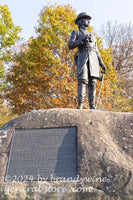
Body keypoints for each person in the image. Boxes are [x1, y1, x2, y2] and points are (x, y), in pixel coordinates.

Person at [68, 12, 106, 109]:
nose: (88, 21)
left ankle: (92, 105)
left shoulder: (92, 36)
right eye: (86, 19)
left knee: (93, 82)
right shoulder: (76, 33)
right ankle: (80, 104)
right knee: (82, 80)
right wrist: (81, 40)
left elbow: (97, 51)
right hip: (83, 57)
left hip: (93, 59)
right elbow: (70, 45)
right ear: (80, 21)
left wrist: (102, 64)